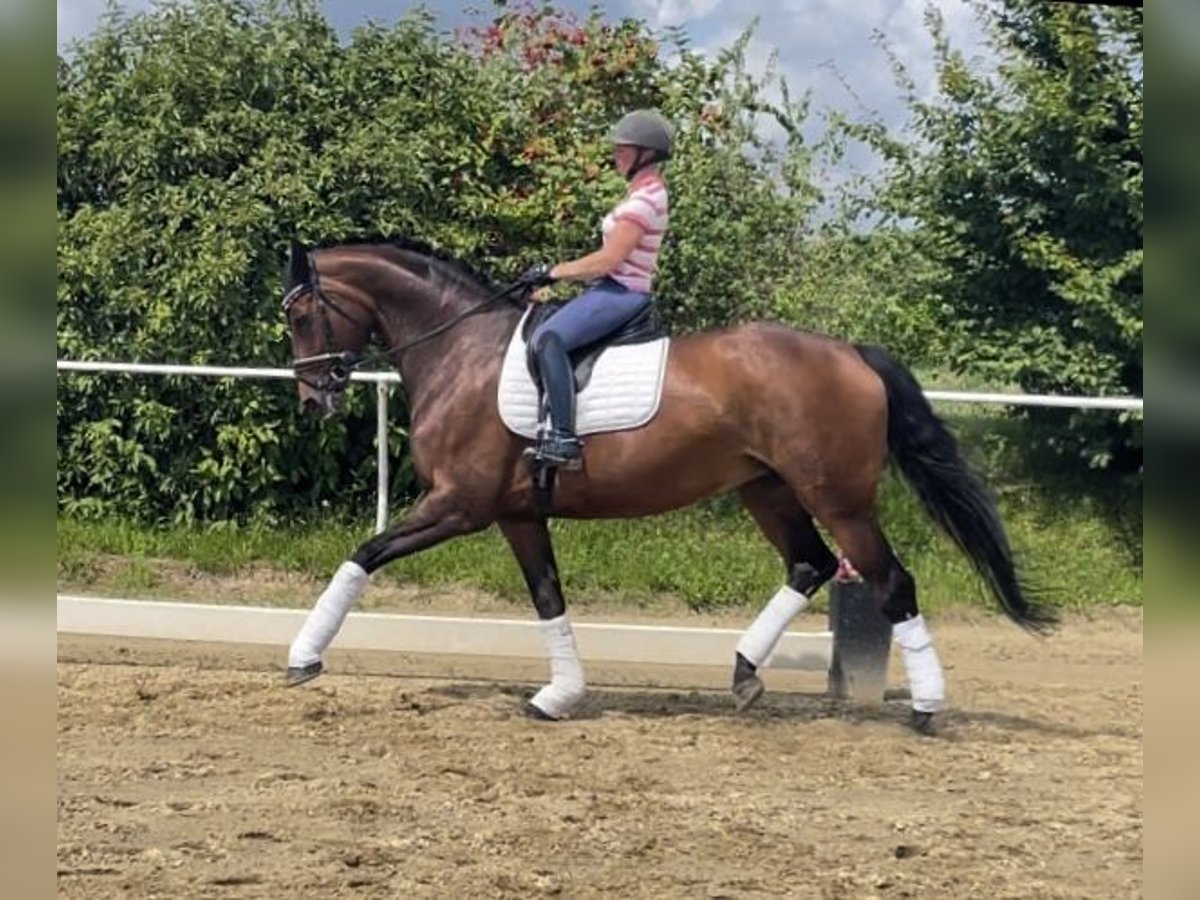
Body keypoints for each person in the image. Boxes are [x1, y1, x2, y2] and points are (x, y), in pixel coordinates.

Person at [516, 109, 673, 470]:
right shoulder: (641, 194)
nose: (615, 155)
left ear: (645, 154)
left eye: (623, 149)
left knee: (549, 338)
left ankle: (564, 439)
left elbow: (608, 260)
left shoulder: (645, 201)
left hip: (621, 291)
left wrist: (552, 272)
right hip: (609, 288)